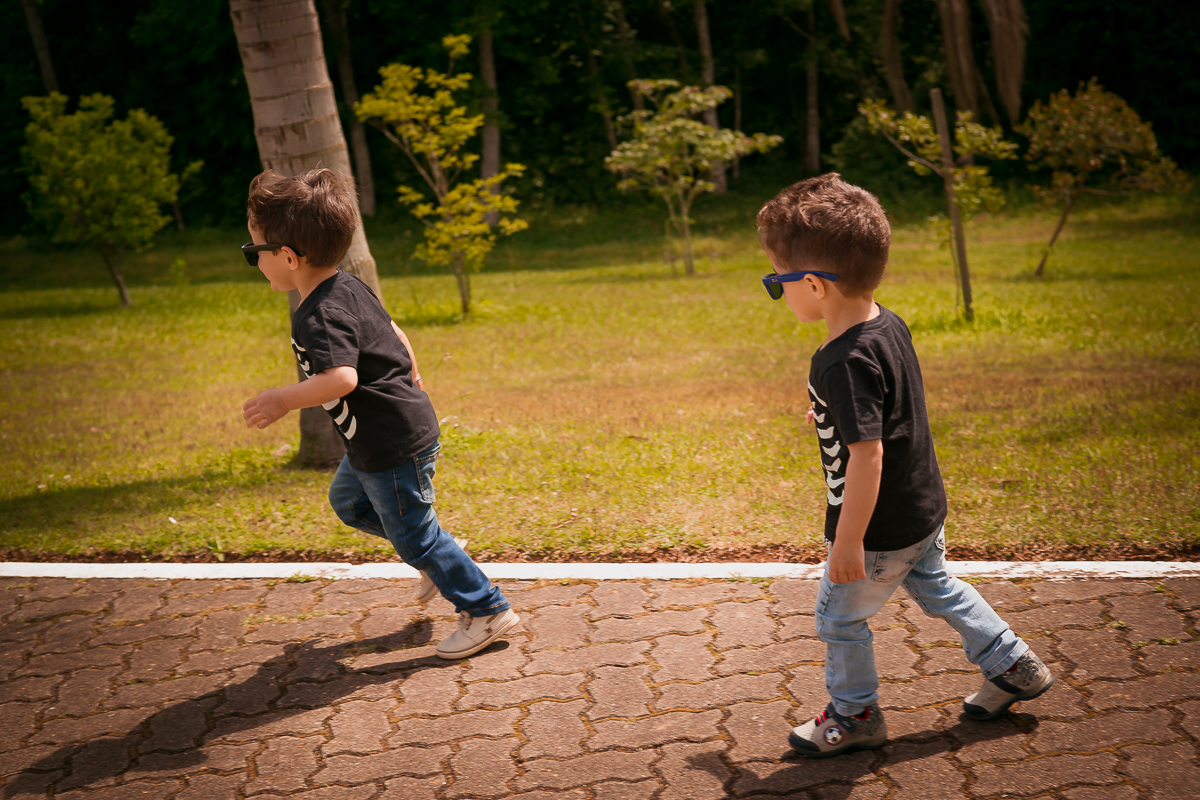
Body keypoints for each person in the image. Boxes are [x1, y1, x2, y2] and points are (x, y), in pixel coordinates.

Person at [756, 174, 1053, 758]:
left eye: (776, 283)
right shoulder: (886, 324)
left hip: (876, 530)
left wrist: (848, 543)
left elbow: (868, 457)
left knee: (839, 621)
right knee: (938, 587)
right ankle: (1014, 665)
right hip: (921, 510)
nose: (776, 291)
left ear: (812, 285)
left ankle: (854, 715)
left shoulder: (840, 363)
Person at [240, 168, 519, 659]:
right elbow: (393, 329)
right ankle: (438, 551)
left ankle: (485, 608)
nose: (254, 261)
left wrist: (283, 399)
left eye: (252, 252)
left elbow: (342, 379)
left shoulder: (319, 314)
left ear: (286, 256)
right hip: (376, 439)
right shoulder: (346, 286)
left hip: (390, 444)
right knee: (350, 505)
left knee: (414, 540)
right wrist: (412, 370)